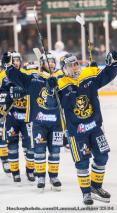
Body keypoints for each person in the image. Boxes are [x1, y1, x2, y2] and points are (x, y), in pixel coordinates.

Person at [46, 51, 117, 205]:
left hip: (95, 128)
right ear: (64, 69)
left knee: (102, 157)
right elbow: (49, 105)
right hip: (76, 133)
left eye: (76, 64)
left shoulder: (88, 75)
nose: (74, 67)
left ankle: (95, 187)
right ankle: (86, 193)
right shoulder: (59, 83)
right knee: (82, 163)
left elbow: (107, 75)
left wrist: (114, 62)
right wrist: (49, 90)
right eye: (70, 65)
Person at [2, 52, 63, 191]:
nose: (51, 63)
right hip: (38, 122)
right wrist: (8, 65)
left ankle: (53, 177)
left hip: (56, 123)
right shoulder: (34, 78)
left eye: (53, 61)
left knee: (55, 151)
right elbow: (16, 77)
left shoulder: (61, 78)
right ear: (41, 63)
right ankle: (40, 177)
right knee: (39, 150)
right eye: (48, 61)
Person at [0, 52, 35, 182]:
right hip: (12, 117)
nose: (15, 62)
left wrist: (23, 92)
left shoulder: (27, 75)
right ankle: (15, 172)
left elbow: (34, 91)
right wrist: (9, 96)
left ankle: (30, 170)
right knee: (12, 145)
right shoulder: (5, 78)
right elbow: (2, 96)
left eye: (17, 60)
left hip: (27, 117)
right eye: (13, 60)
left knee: (30, 145)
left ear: (21, 61)